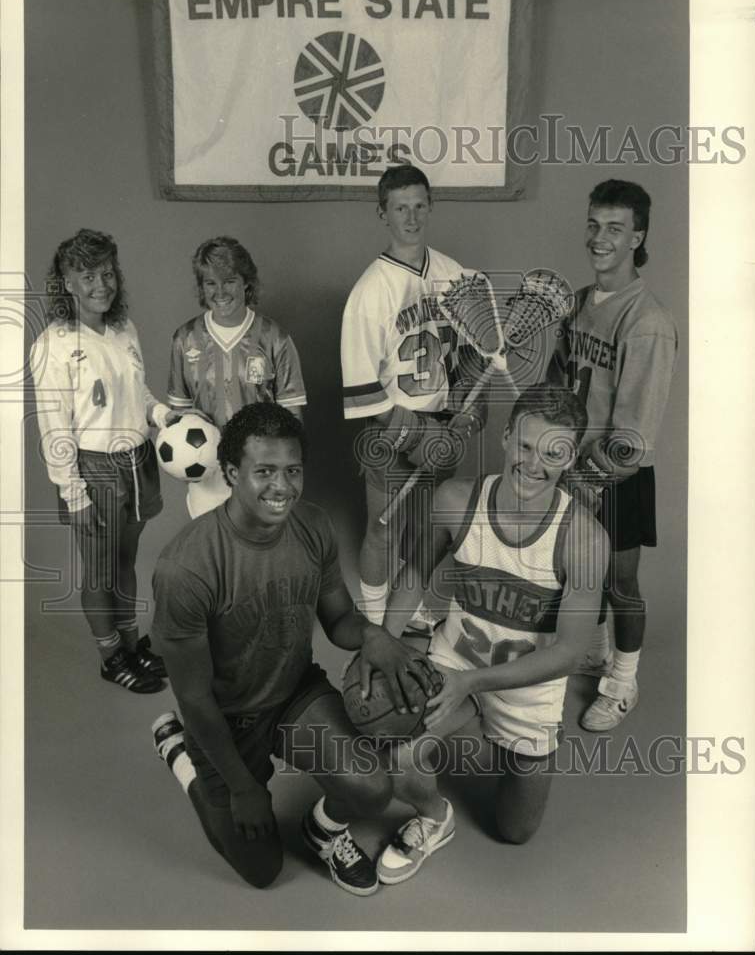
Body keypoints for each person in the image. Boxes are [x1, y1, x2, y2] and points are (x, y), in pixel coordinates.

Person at [150, 403, 439, 894]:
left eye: (292, 471)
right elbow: (195, 698)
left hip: (292, 696)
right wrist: (243, 788)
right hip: (226, 717)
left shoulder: (313, 527)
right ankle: (181, 755)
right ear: (231, 473)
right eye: (264, 471)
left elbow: (340, 620)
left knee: (373, 790)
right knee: (262, 871)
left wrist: (376, 636)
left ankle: (322, 832)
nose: (281, 486)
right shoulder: (186, 569)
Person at [374, 385, 608, 883]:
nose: (534, 464)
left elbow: (568, 654)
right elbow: (414, 574)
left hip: (529, 688)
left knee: (515, 830)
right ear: (505, 436)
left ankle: (510, 741)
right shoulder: (457, 499)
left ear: (570, 458)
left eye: (553, 453)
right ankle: (435, 819)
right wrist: (384, 644)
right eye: (525, 446)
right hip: (454, 663)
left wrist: (474, 687)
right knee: (392, 750)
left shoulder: (585, 539)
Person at [547, 179, 678, 731]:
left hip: (615, 475)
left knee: (621, 583)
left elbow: (633, 436)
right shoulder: (576, 302)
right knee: (578, 573)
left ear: (637, 238)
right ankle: (595, 649)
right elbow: (558, 383)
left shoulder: (646, 321)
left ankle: (622, 681)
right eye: (595, 224)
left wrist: (585, 476)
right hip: (569, 464)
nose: (600, 238)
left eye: (615, 229)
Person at [340, 164, 487, 629]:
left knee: (426, 531)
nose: (411, 216)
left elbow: (470, 355)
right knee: (383, 529)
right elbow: (363, 391)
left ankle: (411, 608)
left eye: (419, 205)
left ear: (430, 207)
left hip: (443, 424)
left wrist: (467, 412)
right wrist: (416, 433)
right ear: (382, 213)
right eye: (400, 207)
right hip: (392, 428)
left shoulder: (454, 275)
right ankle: (375, 617)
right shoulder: (370, 292)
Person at [30, 228, 173, 693]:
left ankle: (132, 644)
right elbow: (54, 428)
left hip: (137, 460)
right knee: (100, 569)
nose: (101, 284)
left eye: (108, 272)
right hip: (94, 470)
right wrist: (75, 494)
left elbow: (138, 392)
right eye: (87, 275)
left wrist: (162, 414)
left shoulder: (123, 329)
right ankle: (111, 656)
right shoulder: (53, 345)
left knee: (126, 561)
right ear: (66, 282)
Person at [167, 236, 307, 518]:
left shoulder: (274, 338)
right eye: (210, 283)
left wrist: (283, 472)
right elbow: (177, 414)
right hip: (206, 471)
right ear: (202, 287)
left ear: (246, 282)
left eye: (229, 281)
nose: (220, 291)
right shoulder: (185, 339)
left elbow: (294, 419)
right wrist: (183, 457)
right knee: (213, 554)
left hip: (261, 471)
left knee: (260, 555)